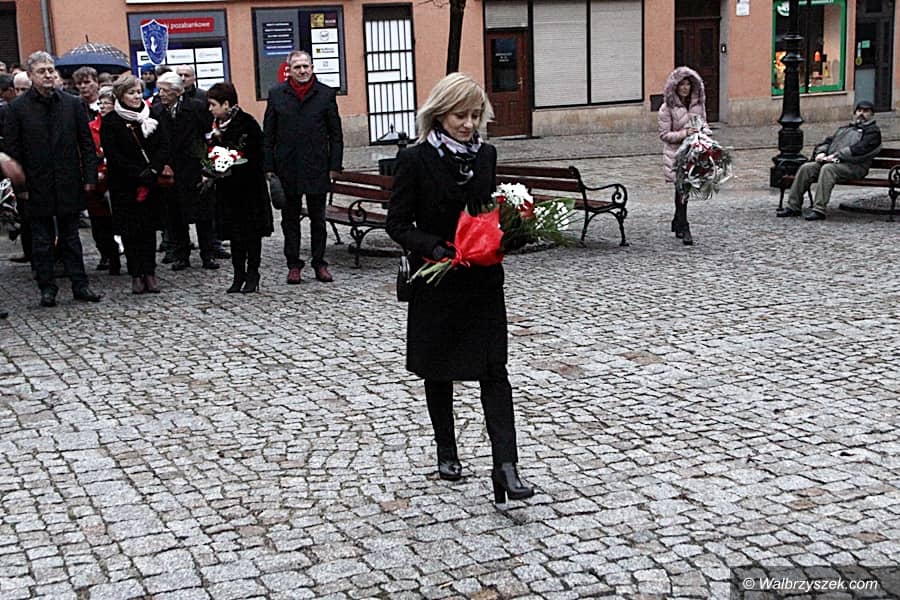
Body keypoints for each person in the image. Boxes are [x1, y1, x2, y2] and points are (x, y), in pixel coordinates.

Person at [385, 73, 534, 505]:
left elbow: (488, 210)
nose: (469, 125)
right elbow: (397, 223)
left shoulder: (486, 155)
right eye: (459, 116)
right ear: (439, 115)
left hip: (482, 281)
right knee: (439, 370)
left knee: (494, 371)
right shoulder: (414, 159)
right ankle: (446, 449)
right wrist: (433, 247)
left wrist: (511, 232)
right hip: (438, 279)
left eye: (474, 116)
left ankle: (506, 465)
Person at [4, 51, 102, 307]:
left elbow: (86, 144)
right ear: (31, 75)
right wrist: (20, 186)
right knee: (41, 241)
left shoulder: (72, 103)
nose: (48, 75)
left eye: (50, 70)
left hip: (68, 180)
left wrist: (90, 177)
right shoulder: (17, 108)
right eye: (42, 71)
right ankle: (47, 288)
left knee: (72, 238)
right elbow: (13, 151)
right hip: (35, 184)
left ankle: (80, 284)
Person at [263, 49, 343, 284]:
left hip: (317, 166)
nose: (302, 70)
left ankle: (319, 263)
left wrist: (335, 165)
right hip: (287, 167)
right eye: (297, 67)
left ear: (312, 68)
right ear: (289, 70)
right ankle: (294, 264)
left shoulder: (326, 94)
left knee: (318, 219)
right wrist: (269, 167)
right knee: (290, 219)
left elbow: (335, 135)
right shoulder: (277, 94)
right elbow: (268, 135)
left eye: (306, 66)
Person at [101, 73, 170, 294]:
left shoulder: (152, 115)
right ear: (121, 95)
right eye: (131, 93)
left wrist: (154, 169)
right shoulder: (111, 121)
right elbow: (114, 155)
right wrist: (138, 174)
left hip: (151, 182)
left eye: (139, 92)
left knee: (148, 229)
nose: (137, 96)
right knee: (130, 232)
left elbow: (164, 145)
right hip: (125, 184)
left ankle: (150, 272)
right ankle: (136, 273)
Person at [206, 82, 273, 293]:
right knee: (234, 236)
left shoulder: (247, 124)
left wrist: (233, 162)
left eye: (213, 104)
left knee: (251, 235)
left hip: (249, 190)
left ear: (226, 104)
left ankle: (252, 274)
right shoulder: (215, 126)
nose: (210, 109)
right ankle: (238, 275)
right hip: (227, 191)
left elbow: (257, 155)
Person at [154, 72, 218, 271]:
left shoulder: (196, 107)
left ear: (177, 91)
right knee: (176, 215)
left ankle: (208, 254)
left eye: (165, 90)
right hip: (171, 170)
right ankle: (181, 254)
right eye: (159, 90)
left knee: (203, 215)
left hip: (195, 167)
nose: (161, 94)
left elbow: (208, 137)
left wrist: (207, 167)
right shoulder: (156, 111)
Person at [776, 101, 882, 221]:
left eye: (866, 111)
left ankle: (819, 209)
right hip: (835, 162)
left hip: (855, 167)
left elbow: (861, 149)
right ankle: (793, 206)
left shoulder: (873, 132)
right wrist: (821, 153)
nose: (861, 114)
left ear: (872, 114)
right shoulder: (845, 128)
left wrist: (837, 155)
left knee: (828, 169)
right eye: (859, 111)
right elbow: (828, 142)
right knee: (807, 168)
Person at [658, 66, 711, 246]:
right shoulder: (667, 108)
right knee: (682, 189)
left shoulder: (698, 105)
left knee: (683, 189)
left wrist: (705, 133)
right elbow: (664, 135)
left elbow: (704, 123)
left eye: (688, 84)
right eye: (681, 84)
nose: (685, 88)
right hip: (676, 154)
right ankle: (684, 225)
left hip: (693, 153)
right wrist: (685, 133)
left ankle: (677, 220)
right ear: (675, 87)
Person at [85, 86, 120, 274]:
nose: (103, 106)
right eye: (101, 103)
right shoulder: (91, 128)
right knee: (100, 224)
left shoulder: (124, 125)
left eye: (108, 103)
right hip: (98, 183)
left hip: (118, 181)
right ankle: (107, 255)